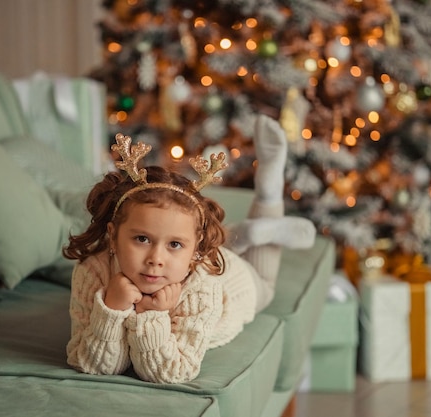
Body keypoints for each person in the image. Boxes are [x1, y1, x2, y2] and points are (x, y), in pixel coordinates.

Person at [63, 115, 316, 383]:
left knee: (265, 284)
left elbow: (171, 372)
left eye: (172, 244)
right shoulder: (92, 270)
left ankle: (267, 197)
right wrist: (111, 309)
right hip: (196, 254)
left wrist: (152, 314)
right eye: (142, 239)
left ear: (196, 249)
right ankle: (235, 235)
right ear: (112, 237)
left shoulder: (203, 287)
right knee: (190, 240)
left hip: (233, 281)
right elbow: (93, 365)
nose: (155, 259)